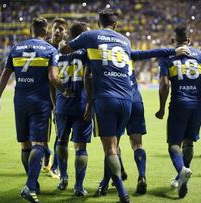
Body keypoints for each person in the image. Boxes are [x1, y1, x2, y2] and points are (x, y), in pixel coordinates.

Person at [0, 17, 72, 203]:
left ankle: (32, 182)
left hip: (19, 101)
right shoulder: (50, 49)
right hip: (40, 102)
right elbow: (53, 77)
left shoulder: (16, 48)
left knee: (25, 144)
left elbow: (5, 75)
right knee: (39, 144)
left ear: (31, 31)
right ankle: (29, 185)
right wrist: (65, 90)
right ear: (46, 31)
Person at [94, 47, 191, 196]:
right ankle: (142, 176)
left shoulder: (102, 58)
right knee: (137, 144)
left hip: (116, 99)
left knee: (112, 146)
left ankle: (105, 183)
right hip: (135, 100)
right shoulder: (128, 55)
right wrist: (173, 51)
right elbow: (151, 52)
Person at [60, 8, 133, 203]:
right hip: (127, 99)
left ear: (98, 23)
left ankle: (122, 194)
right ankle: (105, 182)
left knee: (109, 149)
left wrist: (60, 45)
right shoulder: (126, 41)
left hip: (105, 99)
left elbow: (66, 50)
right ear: (115, 25)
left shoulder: (90, 36)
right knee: (115, 147)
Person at [155, 25, 201, 198]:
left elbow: (165, 84)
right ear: (189, 41)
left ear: (172, 41)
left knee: (174, 144)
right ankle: (183, 174)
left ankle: (182, 170)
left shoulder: (167, 57)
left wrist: (161, 108)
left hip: (179, 103)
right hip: (198, 104)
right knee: (189, 141)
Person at [54, 21, 91, 196]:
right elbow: (88, 76)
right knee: (81, 147)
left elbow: (51, 79)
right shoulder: (86, 53)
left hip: (62, 104)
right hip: (82, 105)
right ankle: (78, 186)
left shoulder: (58, 53)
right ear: (83, 36)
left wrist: (55, 104)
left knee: (61, 141)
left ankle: (63, 178)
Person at [44, 18, 69, 178]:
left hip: (58, 96)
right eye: (56, 28)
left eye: (61, 29)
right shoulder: (44, 47)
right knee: (40, 134)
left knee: (60, 133)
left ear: (65, 31)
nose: (58, 31)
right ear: (51, 30)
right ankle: (47, 154)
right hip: (42, 96)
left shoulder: (66, 49)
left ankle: (54, 166)